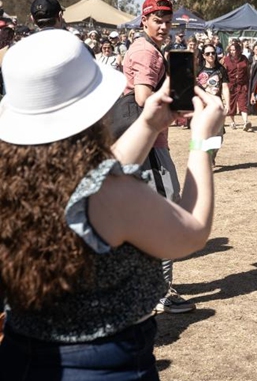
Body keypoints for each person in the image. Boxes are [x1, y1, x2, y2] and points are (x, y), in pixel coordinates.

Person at [0, 28, 224, 379]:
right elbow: (191, 231)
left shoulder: (16, 179)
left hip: (19, 357)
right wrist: (203, 142)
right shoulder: (110, 194)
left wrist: (149, 125)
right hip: (105, 366)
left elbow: (92, 178)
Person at [122, 0, 196, 314]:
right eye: (158, 20)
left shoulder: (148, 49)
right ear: (144, 21)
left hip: (146, 143)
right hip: (151, 146)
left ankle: (145, 286)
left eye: (167, 21)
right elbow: (142, 98)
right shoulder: (147, 51)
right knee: (166, 214)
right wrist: (177, 97)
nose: (164, 26)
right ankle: (161, 292)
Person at [198, 45, 230, 165]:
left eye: (213, 53)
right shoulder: (198, 70)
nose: (211, 55)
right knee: (205, 133)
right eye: (208, 54)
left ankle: (211, 154)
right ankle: (204, 157)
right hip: (203, 106)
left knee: (218, 136)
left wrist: (227, 104)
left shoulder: (221, 69)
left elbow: (225, 88)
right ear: (203, 56)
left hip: (217, 106)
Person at [222, 42, 252, 131]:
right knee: (231, 104)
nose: (232, 52)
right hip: (231, 85)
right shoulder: (226, 60)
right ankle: (232, 122)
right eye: (231, 50)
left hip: (242, 85)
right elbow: (223, 73)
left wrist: (247, 82)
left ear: (238, 50)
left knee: (243, 103)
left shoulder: (244, 59)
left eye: (234, 50)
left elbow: (248, 71)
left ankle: (246, 122)